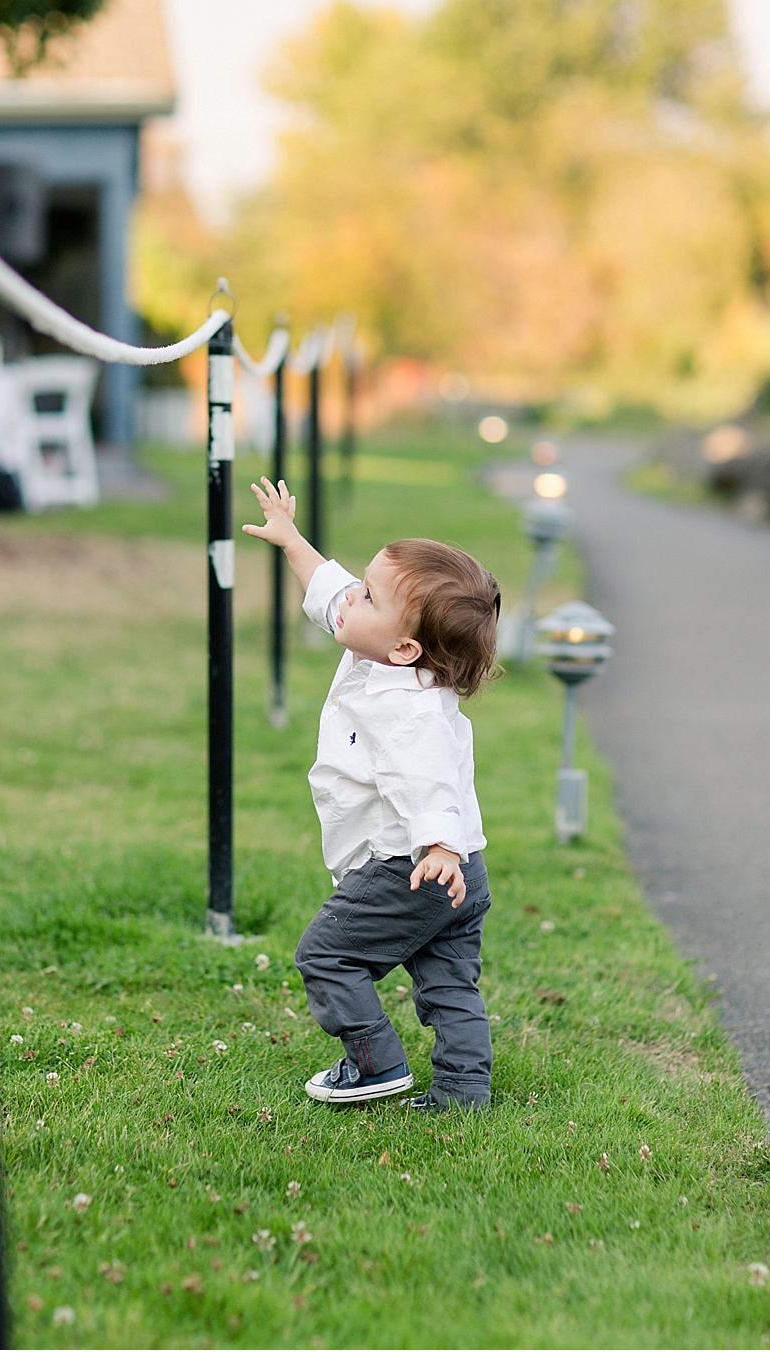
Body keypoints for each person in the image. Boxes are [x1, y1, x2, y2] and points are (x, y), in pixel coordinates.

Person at [242, 476, 501, 1111]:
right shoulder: (379, 645)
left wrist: (437, 846)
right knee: (448, 984)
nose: (350, 597)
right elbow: (330, 592)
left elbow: (429, 779)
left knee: (327, 954)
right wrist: (291, 540)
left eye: (367, 596)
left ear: (406, 647)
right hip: (461, 869)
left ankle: (373, 1063)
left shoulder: (411, 708)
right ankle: (464, 1091)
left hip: (412, 865)